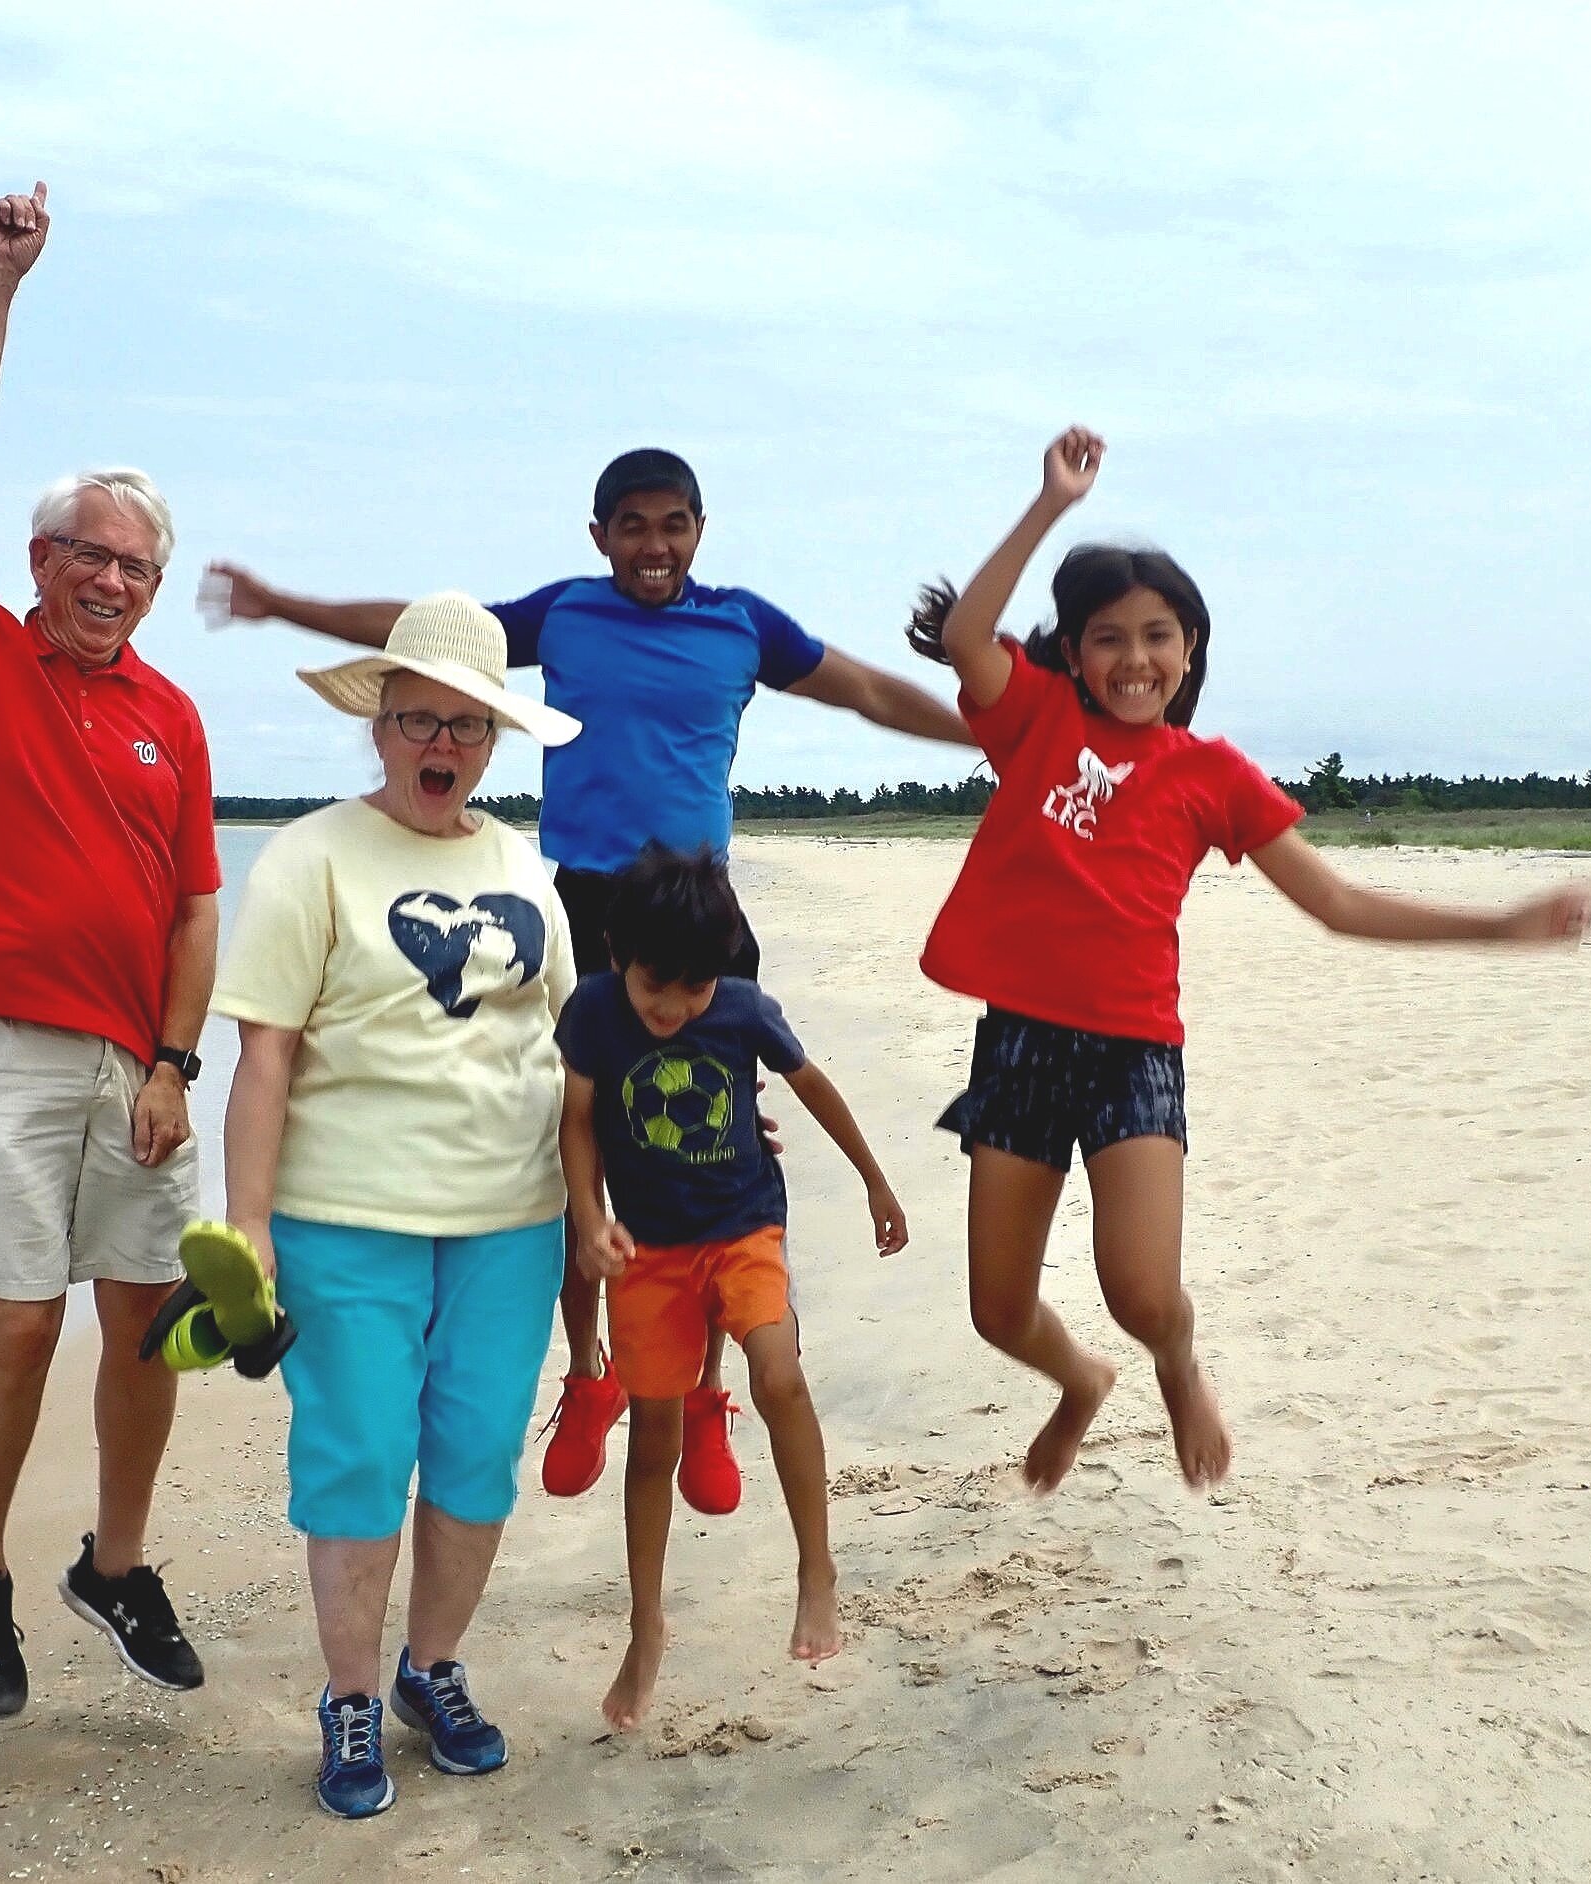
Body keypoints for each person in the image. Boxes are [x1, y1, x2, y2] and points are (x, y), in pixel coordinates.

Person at [202, 449, 971, 1519]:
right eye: (631, 526)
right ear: (597, 532)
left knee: (703, 1150)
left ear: (700, 528)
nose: (652, 547)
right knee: (574, 1144)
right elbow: (424, 632)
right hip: (585, 908)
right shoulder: (563, 616)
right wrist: (284, 603)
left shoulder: (742, 625)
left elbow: (870, 690)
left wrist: (992, 732)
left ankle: (706, 1400)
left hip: (701, 921)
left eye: (672, 525)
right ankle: (587, 1372)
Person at [908, 427, 1591, 1494]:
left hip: (1134, 1047)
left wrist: (1496, 924)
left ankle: (1173, 1367)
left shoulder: (1211, 773)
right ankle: (1079, 1383)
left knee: (1142, 1292)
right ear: (1073, 652)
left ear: (1189, 650)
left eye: (1156, 636)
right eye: (1106, 637)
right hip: (1021, 1042)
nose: (1132, 659)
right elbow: (964, 637)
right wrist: (1049, 506)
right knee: (996, 1310)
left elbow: (1334, 900)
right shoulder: (1035, 721)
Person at [0, 183, 220, 1717]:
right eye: (88, 556)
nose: (110, 582)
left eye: (137, 568)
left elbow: (192, 909)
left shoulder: (172, 714)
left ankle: (115, 1561)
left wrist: (175, 1061)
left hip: (133, 1065)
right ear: (37, 560)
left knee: (144, 1321)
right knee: (21, 1322)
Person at [209, 593, 582, 1819]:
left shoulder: (522, 863)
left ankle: (434, 1671)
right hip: (344, 1219)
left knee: (474, 1460)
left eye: (468, 726)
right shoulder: (309, 857)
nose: (443, 743)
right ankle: (354, 1692)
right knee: (360, 1458)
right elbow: (263, 1059)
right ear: (379, 724)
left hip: (512, 1222)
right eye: (418, 718)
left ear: (493, 742)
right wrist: (245, 1228)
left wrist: (656, 1165)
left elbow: (579, 1051)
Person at [557, 844, 908, 1733]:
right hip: (650, 1255)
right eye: (653, 987)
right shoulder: (595, 1012)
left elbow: (813, 1085)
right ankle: (646, 1627)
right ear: (614, 955)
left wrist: (874, 1179)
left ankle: (815, 1571)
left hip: (745, 1229)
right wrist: (589, 1217)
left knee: (777, 1371)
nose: (672, 1008)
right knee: (652, 1441)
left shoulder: (744, 1009)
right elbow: (577, 1121)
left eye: (695, 988)